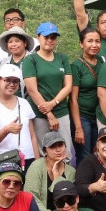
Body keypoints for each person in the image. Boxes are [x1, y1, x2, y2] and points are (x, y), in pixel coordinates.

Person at [23, 22, 75, 158]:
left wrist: (53, 103)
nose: (50, 40)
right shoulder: (30, 60)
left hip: (61, 111)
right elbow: (32, 90)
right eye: (46, 37)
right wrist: (49, 115)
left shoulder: (62, 58)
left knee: (65, 152)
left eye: (53, 37)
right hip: (39, 113)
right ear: (38, 37)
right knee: (44, 152)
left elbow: (68, 86)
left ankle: (65, 173)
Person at [0, 63, 38, 171]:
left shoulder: (24, 103)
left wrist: (37, 162)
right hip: (1, 160)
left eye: (15, 81)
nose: (12, 84)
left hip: (28, 158)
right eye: (7, 80)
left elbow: (32, 136)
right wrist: (6, 130)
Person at [25, 131, 77, 211]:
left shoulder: (71, 171)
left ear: (65, 146)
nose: (58, 150)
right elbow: (30, 197)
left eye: (60, 145)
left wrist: (56, 175)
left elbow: (68, 198)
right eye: (52, 147)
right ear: (45, 151)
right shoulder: (36, 167)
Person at [71, 27, 102, 166]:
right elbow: (73, 99)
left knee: (98, 153)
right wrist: (78, 128)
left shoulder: (101, 62)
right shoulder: (76, 66)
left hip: (98, 116)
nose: (94, 45)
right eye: (90, 41)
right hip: (82, 117)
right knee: (84, 155)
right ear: (81, 44)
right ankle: (83, 180)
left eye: (97, 41)